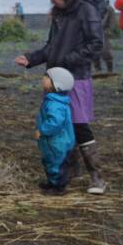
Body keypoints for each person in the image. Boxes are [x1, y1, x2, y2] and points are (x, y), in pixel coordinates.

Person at [15, 0, 107, 195]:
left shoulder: (86, 10)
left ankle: (97, 178)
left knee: (78, 124)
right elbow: (51, 47)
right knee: (62, 125)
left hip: (76, 77)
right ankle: (69, 171)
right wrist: (32, 59)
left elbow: (96, 44)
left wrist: (68, 60)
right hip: (56, 77)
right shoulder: (59, 14)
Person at [36, 67, 76, 196]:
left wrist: (42, 130)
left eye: (47, 77)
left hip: (57, 142)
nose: (43, 78)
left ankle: (59, 187)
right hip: (53, 142)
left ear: (56, 85)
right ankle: (52, 182)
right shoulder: (53, 100)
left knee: (56, 163)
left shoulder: (55, 103)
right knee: (50, 161)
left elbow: (55, 122)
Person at [74, 0, 113, 72]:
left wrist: (95, 20)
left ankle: (110, 70)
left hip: (93, 25)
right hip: (76, 25)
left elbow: (102, 7)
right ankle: (96, 71)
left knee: (103, 49)